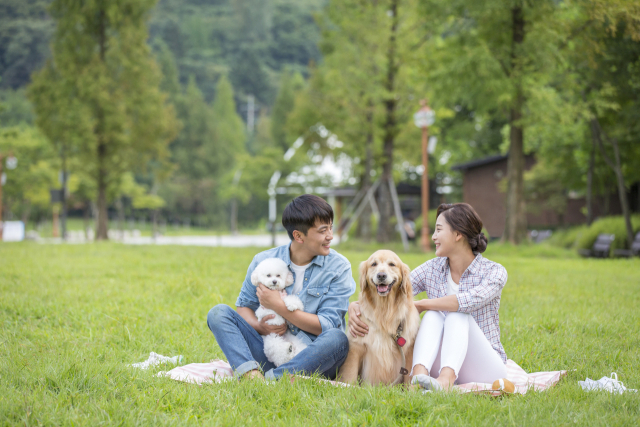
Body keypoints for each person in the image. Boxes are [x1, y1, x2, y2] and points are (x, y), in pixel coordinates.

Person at [348, 203, 508, 391]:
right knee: (433, 316)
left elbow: (467, 301)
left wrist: (423, 304)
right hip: (442, 360)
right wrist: (355, 306)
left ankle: (445, 382)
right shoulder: (433, 268)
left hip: (485, 367)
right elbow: (396, 287)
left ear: (458, 235)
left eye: (438, 230)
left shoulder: (494, 272)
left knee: (454, 314)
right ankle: (419, 377)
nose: (433, 237)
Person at [207, 194, 355, 381]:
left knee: (337, 338)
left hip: (313, 359)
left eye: (331, 228)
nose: (330, 236)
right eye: (323, 230)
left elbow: (326, 326)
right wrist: (259, 326)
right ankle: (252, 374)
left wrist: (279, 307)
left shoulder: (339, 267)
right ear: (298, 236)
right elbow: (244, 307)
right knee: (218, 313)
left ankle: (270, 380)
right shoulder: (263, 261)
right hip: (269, 351)